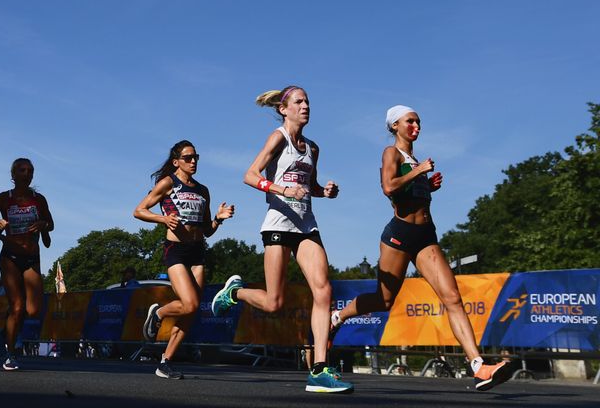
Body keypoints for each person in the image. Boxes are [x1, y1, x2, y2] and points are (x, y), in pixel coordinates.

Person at [330, 105, 512, 391]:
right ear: (394, 126)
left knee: (452, 296)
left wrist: (429, 185)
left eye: (418, 121)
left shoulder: (414, 160)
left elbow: (410, 194)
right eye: (409, 120)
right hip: (400, 234)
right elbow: (388, 188)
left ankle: (478, 366)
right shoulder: (391, 154)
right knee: (384, 300)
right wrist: (418, 172)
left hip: (426, 235)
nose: (416, 125)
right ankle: (337, 317)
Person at [210, 87, 352, 393]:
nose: (306, 106)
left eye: (308, 101)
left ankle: (319, 369)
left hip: (305, 225)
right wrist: (282, 190)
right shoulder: (278, 138)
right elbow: (249, 174)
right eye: (299, 102)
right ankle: (235, 293)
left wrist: (323, 192)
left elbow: (308, 185)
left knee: (323, 290)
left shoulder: (313, 148)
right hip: (278, 223)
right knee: (274, 302)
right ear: (284, 109)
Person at [134, 140, 235, 379]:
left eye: (195, 157)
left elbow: (207, 230)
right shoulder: (168, 183)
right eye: (188, 158)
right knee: (188, 303)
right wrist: (163, 220)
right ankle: (158, 313)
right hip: (176, 250)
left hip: (198, 251)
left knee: (191, 311)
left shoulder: (203, 190)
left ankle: (165, 362)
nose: (193, 161)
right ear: (176, 161)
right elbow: (139, 210)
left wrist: (219, 219)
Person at [0, 158, 53, 371]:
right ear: (13, 174)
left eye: (30, 171)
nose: (27, 173)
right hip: (10, 257)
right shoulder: (4, 198)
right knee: (18, 306)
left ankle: (8, 330)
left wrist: (43, 224)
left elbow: (51, 223)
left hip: (32, 258)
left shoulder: (39, 199)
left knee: (32, 310)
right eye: (22, 170)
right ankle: (11, 354)